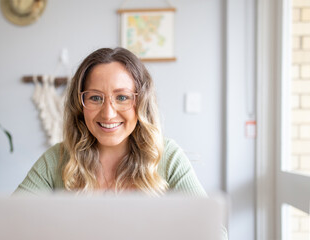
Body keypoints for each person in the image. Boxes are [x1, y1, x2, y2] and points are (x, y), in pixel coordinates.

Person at [14, 47, 207, 197]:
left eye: (122, 97)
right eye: (95, 98)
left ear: (141, 102)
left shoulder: (168, 157)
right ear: (79, 105)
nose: (108, 114)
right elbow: (8, 223)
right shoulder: (57, 159)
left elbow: (213, 232)